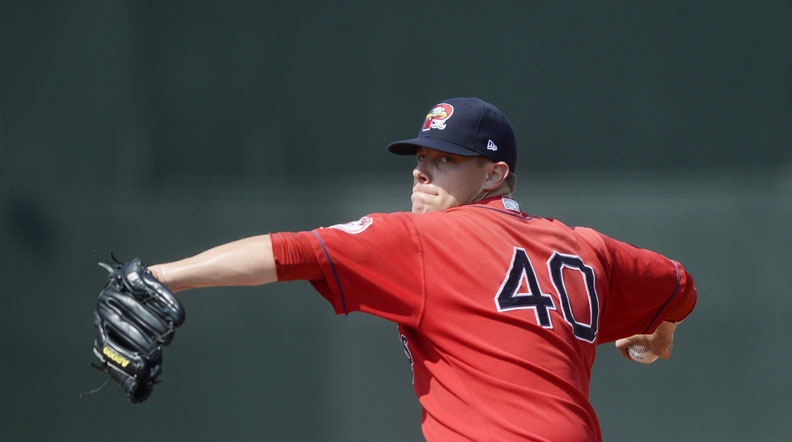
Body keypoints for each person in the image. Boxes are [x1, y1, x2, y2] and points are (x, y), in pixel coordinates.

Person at [148, 98, 697, 441]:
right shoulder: (584, 246)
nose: (422, 174)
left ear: (494, 174)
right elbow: (677, 284)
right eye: (420, 161)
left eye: (445, 160)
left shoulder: (426, 239)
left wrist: (160, 278)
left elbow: (288, 253)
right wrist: (663, 331)